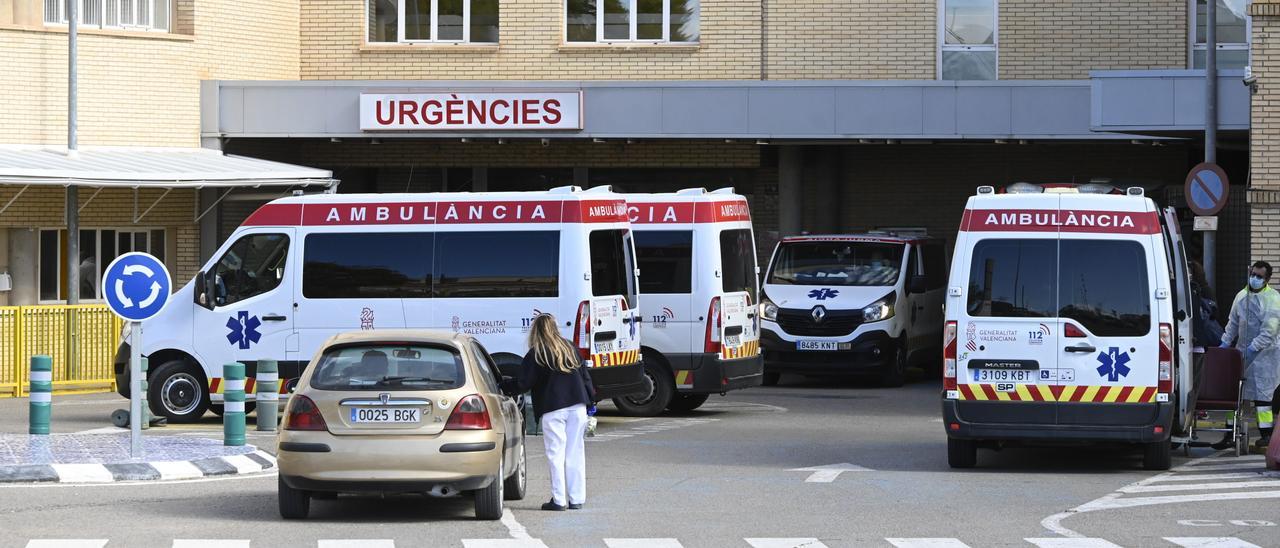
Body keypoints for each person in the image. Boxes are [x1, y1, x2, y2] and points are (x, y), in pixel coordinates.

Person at [502, 314, 595, 511]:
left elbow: (523, 383)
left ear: (536, 330)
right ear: (555, 328)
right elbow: (585, 377)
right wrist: (591, 401)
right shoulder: (569, 348)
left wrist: (503, 385)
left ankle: (559, 500)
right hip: (578, 407)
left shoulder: (538, 353)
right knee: (575, 453)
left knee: (556, 454)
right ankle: (576, 499)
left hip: (553, 408)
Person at [1219, 261, 1280, 450]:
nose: (1255, 278)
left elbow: (1269, 331)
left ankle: (1266, 435)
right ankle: (1230, 433)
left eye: (1260, 276)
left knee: (1263, 396)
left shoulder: (1272, 299)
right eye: (1253, 274)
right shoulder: (1241, 296)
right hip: (1242, 352)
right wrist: (1224, 343)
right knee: (1234, 393)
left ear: (1267, 279)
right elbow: (1233, 323)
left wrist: (1252, 349)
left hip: (1265, 355)